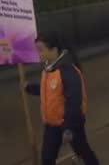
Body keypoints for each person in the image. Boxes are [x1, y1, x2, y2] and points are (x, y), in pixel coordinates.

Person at [25, 35, 99, 165]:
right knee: (47, 158)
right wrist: (29, 88)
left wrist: (68, 128)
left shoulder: (68, 72)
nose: (38, 54)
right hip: (52, 124)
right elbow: (48, 91)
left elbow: (74, 102)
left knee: (83, 151)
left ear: (53, 50)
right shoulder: (48, 69)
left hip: (70, 124)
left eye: (41, 50)